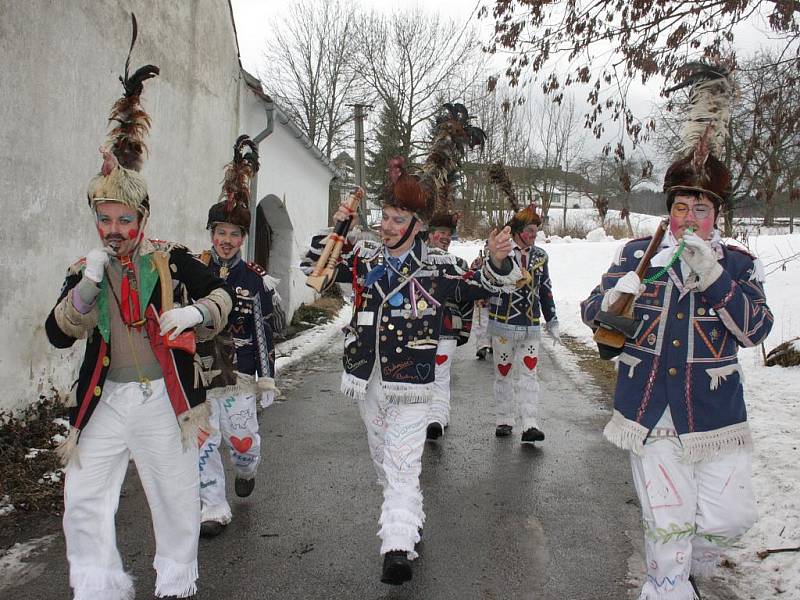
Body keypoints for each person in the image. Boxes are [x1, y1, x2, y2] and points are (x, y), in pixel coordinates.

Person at [44, 18, 233, 600]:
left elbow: (225, 298)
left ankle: (176, 585)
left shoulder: (171, 260)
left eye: (125, 219)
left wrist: (195, 315)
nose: (115, 229)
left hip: (162, 397)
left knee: (175, 500)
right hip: (105, 399)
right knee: (83, 496)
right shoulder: (86, 266)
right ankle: (97, 587)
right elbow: (57, 334)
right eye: (105, 219)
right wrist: (86, 288)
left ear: (142, 218)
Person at [301, 104, 519, 586]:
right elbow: (314, 272)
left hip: (413, 385)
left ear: (418, 224)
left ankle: (396, 545)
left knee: (402, 460)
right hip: (366, 378)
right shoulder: (362, 257)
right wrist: (336, 226)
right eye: (386, 217)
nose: (388, 225)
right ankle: (406, 514)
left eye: (399, 219)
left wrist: (498, 261)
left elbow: (480, 285)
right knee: (385, 463)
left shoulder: (437, 266)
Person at [580, 65, 773, 599]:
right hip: (650, 411)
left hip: (715, 413)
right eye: (680, 207)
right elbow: (594, 315)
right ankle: (667, 584)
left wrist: (712, 278)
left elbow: (756, 328)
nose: (689, 218)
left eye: (701, 209)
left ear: (717, 215)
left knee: (728, 520)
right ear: (668, 211)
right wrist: (623, 291)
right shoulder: (636, 253)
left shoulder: (739, 263)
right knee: (667, 532)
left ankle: (695, 561)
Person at [196, 135, 280, 538]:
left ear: (243, 239)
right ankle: (212, 506)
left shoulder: (256, 280)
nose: (226, 240)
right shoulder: (194, 271)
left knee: (242, 444)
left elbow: (265, 334)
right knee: (205, 444)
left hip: (242, 375)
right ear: (212, 233)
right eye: (220, 232)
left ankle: (247, 470)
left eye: (234, 234)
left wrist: (267, 377)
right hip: (202, 374)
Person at [486, 199, 559, 444]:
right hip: (503, 324)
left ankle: (530, 422)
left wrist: (552, 319)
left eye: (536, 232)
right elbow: (490, 280)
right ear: (518, 232)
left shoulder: (540, 256)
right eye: (529, 231)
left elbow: (545, 288)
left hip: (530, 325)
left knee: (530, 374)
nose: (533, 235)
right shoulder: (500, 253)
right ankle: (504, 418)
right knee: (503, 372)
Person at [423, 212, 472, 440]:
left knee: (441, 374)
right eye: (441, 233)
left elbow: (468, 298)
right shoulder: (415, 261)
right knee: (420, 374)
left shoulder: (459, 264)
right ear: (430, 235)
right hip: (418, 328)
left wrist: (464, 328)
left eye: (448, 234)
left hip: (446, 328)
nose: (445, 238)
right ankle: (421, 414)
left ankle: (437, 417)